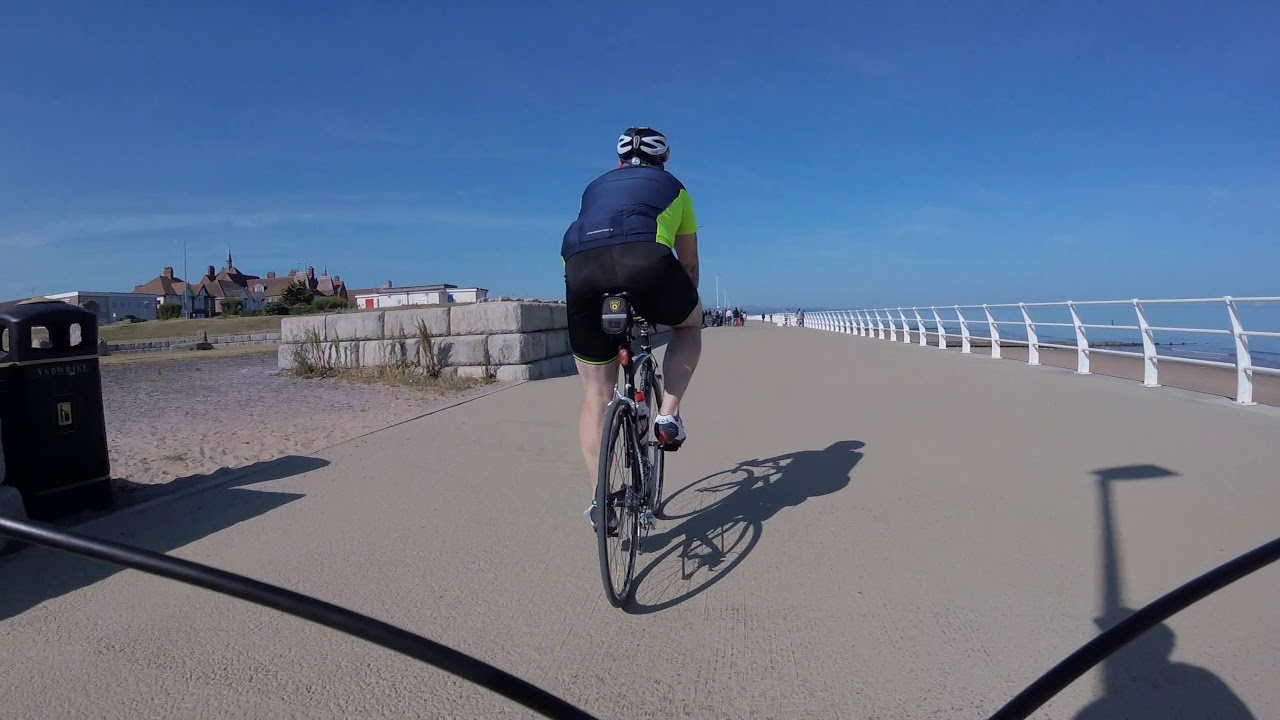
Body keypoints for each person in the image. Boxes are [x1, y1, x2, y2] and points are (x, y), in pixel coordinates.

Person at [561, 127, 703, 532]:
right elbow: (688, 261)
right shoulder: (675, 188)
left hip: (581, 267)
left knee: (594, 393)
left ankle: (598, 501)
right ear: (664, 160)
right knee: (690, 326)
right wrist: (680, 304)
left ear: (619, 160)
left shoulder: (594, 187)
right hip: (647, 262)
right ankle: (667, 417)